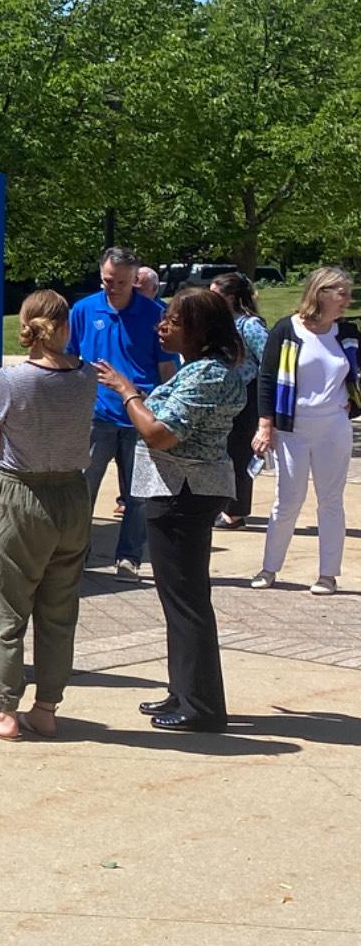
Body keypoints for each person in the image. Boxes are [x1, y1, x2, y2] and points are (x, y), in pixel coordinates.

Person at [94, 287, 245, 733]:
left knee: (186, 602)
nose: (162, 326)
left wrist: (126, 391)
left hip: (185, 493)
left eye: (174, 321)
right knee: (178, 600)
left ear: (198, 329)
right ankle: (184, 691)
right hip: (177, 492)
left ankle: (201, 707)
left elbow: (159, 434)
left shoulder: (209, 375)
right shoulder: (197, 370)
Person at [0, 290, 96, 741]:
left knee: (7, 607)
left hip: (20, 495)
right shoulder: (85, 378)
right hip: (73, 496)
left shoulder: (7, 380)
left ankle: (4, 712)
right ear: (64, 326)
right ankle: (46, 708)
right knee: (60, 611)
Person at [251, 265, 358, 594]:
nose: (347, 300)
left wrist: (353, 406)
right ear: (321, 293)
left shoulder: (347, 332)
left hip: (333, 428)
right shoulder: (286, 329)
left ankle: (328, 574)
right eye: (342, 293)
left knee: (330, 501)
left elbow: (357, 376)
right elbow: (267, 379)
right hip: (292, 428)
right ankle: (270, 568)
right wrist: (264, 425)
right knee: (288, 500)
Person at [68, 247, 167, 576]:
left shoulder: (154, 314)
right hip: (95, 415)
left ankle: (130, 556)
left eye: (122, 282)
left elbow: (167, 367)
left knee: (137, 493)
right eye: (109, 280)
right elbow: (68, 360)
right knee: (84, 488)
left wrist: (161, 409)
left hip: (139, 414)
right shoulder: (83, 311)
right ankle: (77, 553)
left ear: (135, 280)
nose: (114, 287)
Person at [209, 269, 267, 528]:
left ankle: (237, 511)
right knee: (222, 453)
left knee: (240, 454)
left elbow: (269, 361)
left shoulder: (249, 325)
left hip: (247, 396)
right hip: (224, 397)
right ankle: (222, 504)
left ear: (232, 297)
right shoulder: (221, 323)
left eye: (216, 295)